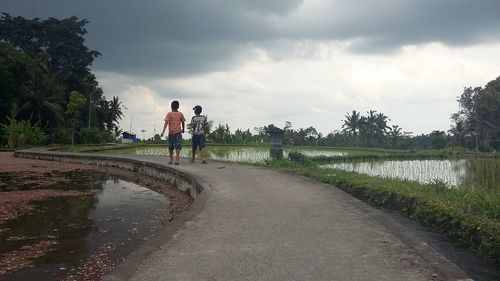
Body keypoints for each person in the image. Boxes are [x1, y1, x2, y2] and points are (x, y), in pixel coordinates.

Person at [160, 100, 185, 165]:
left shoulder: (169, 114)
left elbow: (166, 123)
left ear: (171, 106)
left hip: (171, 133)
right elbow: (183, 122)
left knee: (170, 146)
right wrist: (183, 129)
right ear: (178, 106)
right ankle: (177, 160)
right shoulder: (180, 114)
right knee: (178, 146)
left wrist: (163, 131)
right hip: (178, 132)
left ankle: (171, 160)